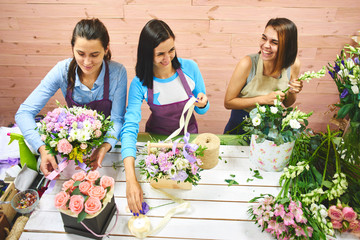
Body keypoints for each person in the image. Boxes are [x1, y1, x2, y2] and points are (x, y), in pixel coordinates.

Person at [15, 18, 127, 176]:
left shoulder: (118, 73)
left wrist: (105, 146)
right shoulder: (62, 70)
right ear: (72, 48)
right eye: (80, 54)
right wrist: (42, 148)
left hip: (108, 146)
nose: (87, 62)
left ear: (106, 49)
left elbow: (117, 119)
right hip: (74, 146)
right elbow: (24, 113)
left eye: (95, 55)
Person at [121, 19, 209, 215]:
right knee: (160, 194)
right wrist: (130, 178)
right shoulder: (140, 83)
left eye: (171, 50)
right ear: (147, 54)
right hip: (157, 141)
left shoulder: (190, 68)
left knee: (191, 194)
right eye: (160, 53)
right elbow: (129, 127)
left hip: (189, 138)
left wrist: (203, 102)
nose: (167, 57)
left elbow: (202, 109)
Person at [224, 18, 303, 134]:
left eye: (274, 42)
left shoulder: (293, 65)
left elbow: (287, 103)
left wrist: (292, 91)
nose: (266, 45)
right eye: (264, 38)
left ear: (287, 46)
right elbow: (228, 102)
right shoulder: (247, 64)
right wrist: (263, 99)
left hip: (271, 128)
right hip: (240, 125)